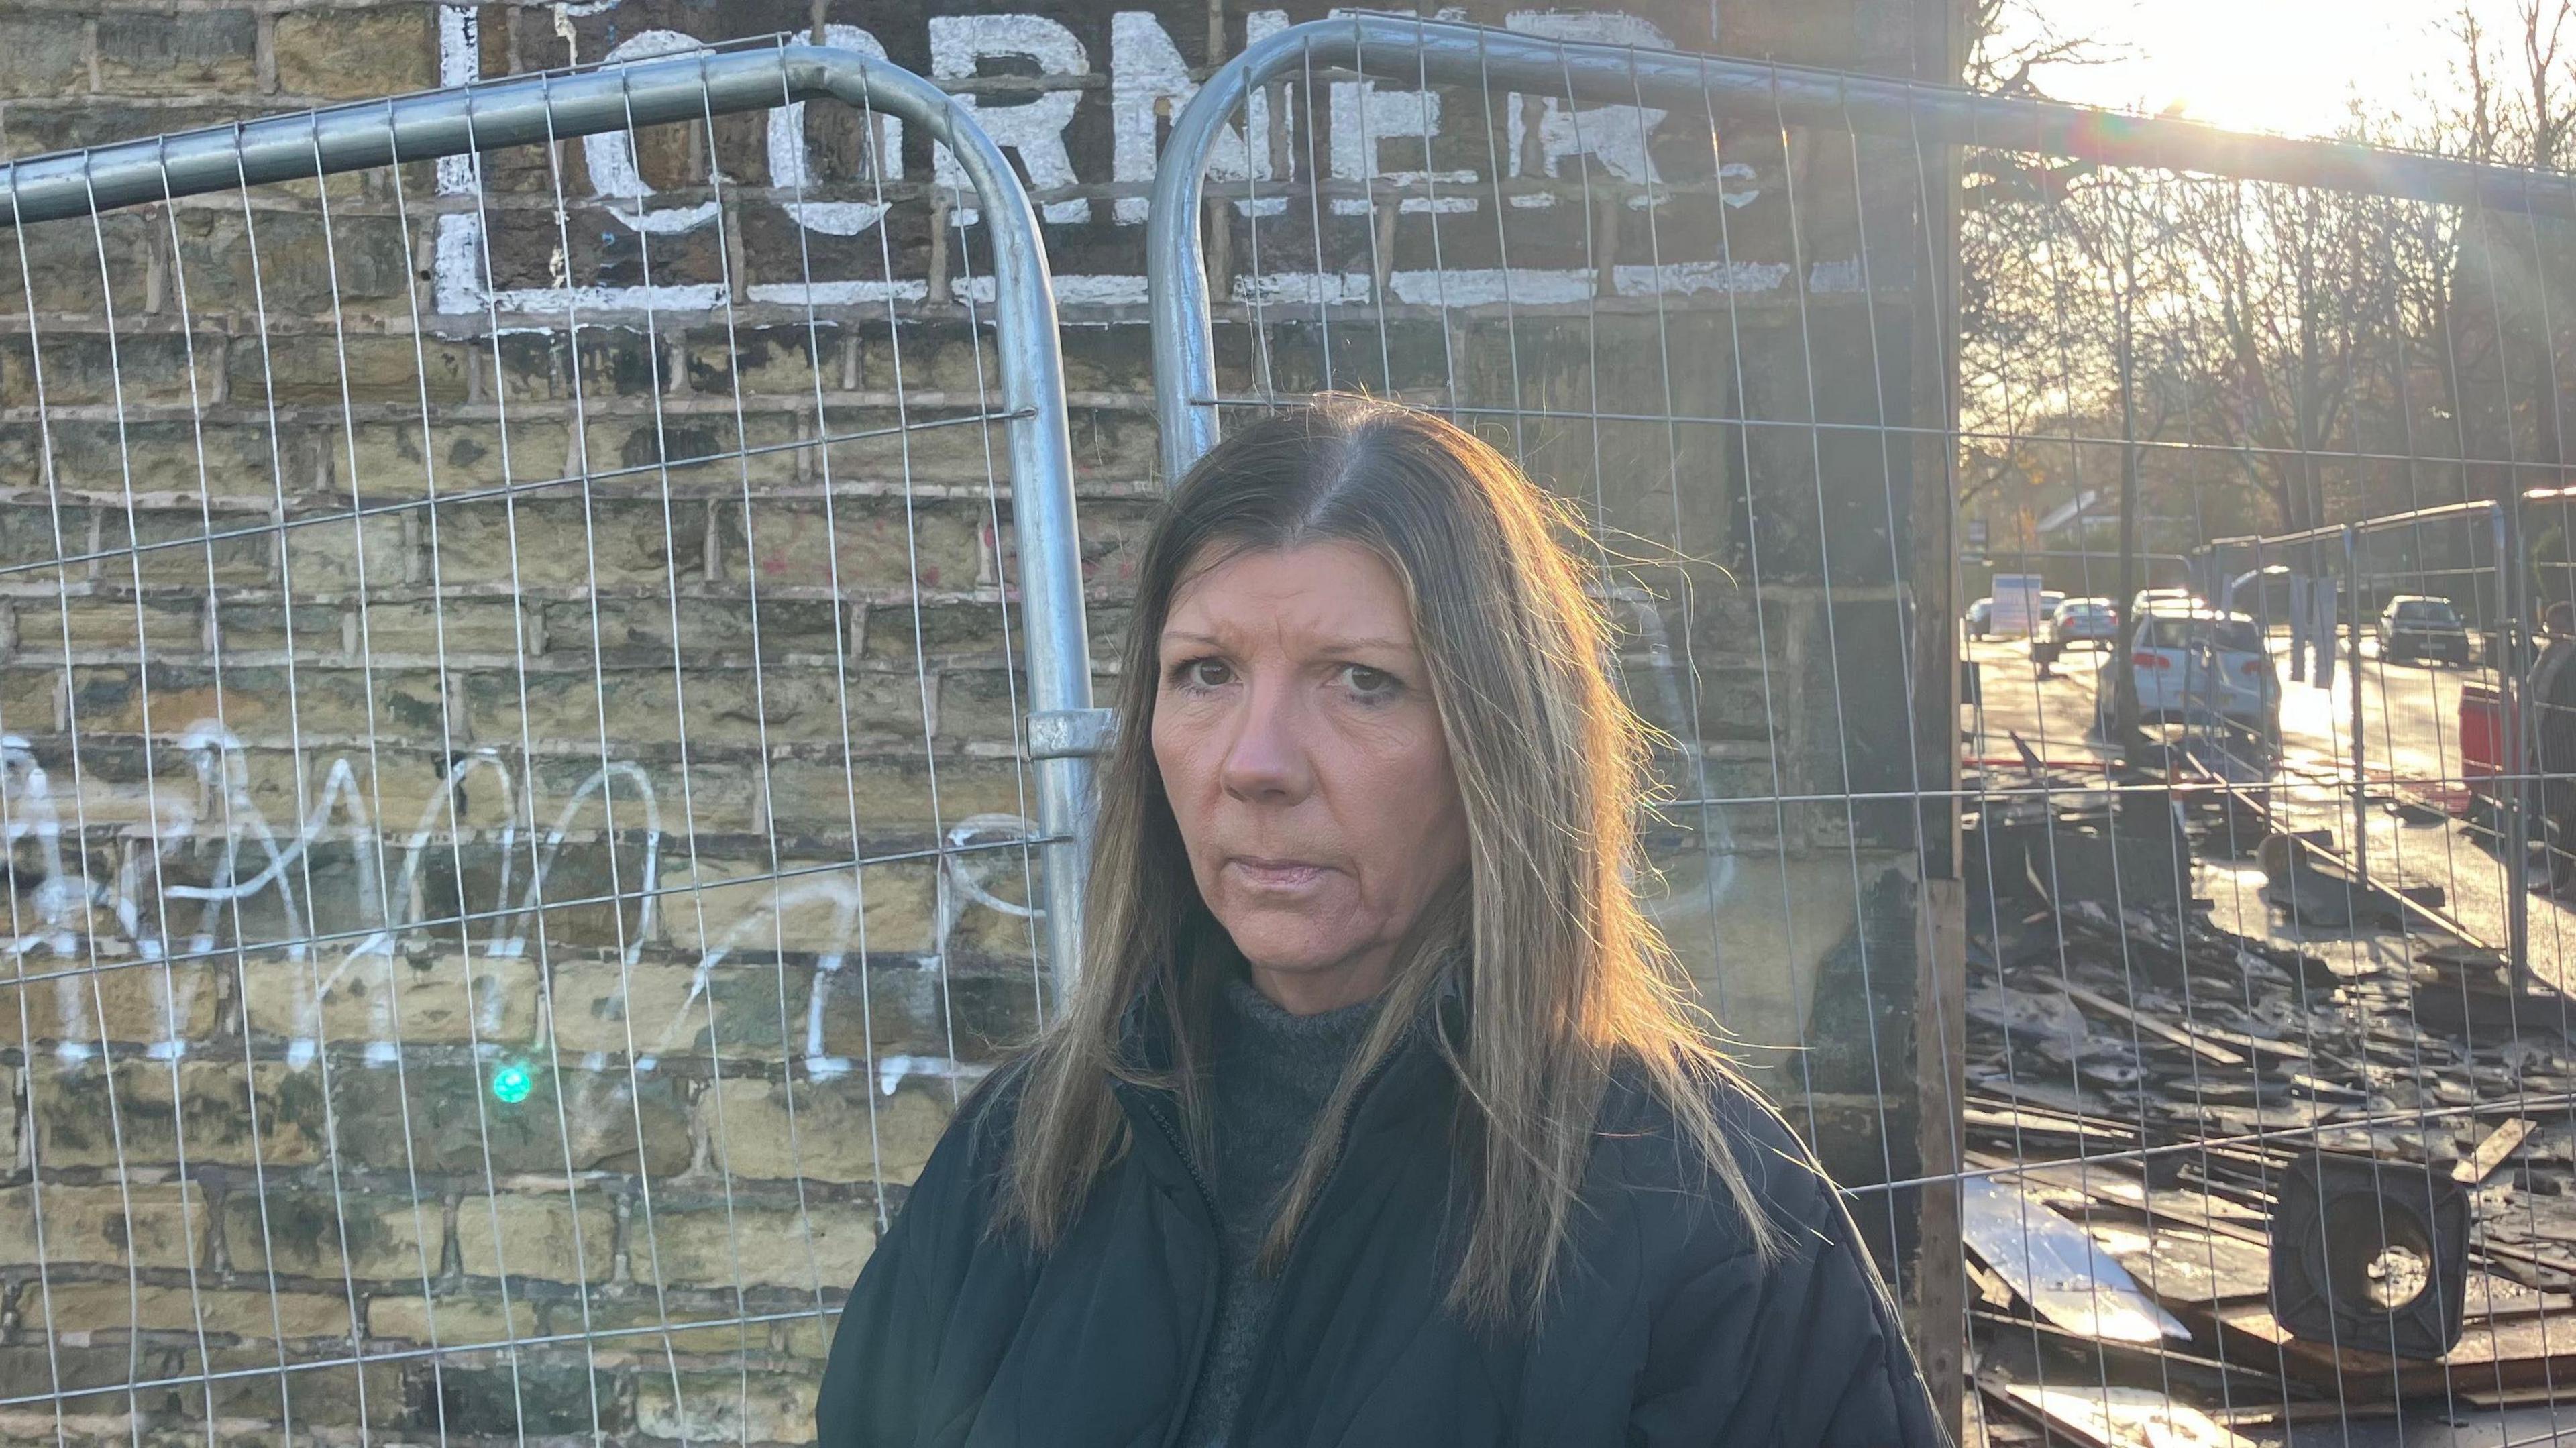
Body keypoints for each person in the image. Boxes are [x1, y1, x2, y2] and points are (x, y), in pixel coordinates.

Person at [814, 396, 1945, 1448]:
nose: (1255, 763)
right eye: (1204, 671)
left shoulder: (1717, 1232)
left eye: (1361, 681)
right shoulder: (1022, 1152)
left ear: (1501, 744)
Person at [2531, 601, 2576, 891]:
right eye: (2550, 626)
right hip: (2551, 744)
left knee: (2569, 813)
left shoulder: (2571, 658)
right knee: (2560, 813)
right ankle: (2561, 876)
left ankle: (2563, 878)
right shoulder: (2550, 655)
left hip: (2569, 747)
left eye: (2559, 627)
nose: (2553, 633)